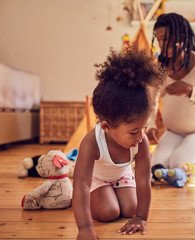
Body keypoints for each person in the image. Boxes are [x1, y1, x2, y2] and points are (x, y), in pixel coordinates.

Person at [72, 45, 166, 239]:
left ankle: (117, 197)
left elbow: (143, 181)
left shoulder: (140, 142)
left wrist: (141, 217)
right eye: (134, 131)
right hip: (96, 180)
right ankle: (89, 200)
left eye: (143, 128)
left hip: (122, 176)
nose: (141, 136)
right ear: (107, 127)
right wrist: (85, 227)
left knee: (131, 209)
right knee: (109, 212)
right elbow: (81, 184)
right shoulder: (92, 142)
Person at [147, 13, 195, 175]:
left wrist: (189, 91)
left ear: (181, 36)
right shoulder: (159, 68)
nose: (161, 44)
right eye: (159, 39)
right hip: (173, 132)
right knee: (157, 167)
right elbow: (150, 103)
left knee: (179, 165)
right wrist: (151, 127)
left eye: (165, 39)